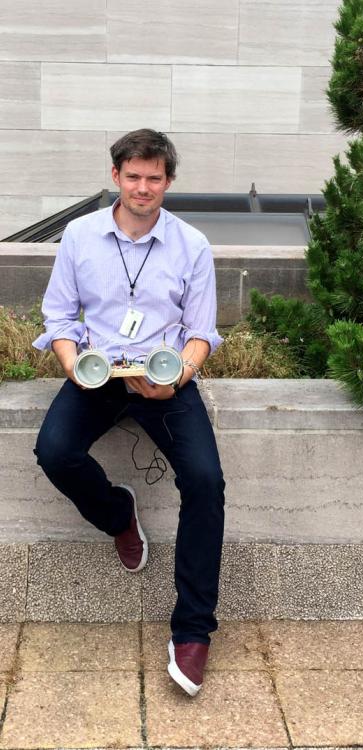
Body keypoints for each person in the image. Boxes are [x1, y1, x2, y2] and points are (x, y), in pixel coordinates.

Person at [32, 129, 224, 697]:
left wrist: (177, 378)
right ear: (116, 176)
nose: (144, 187)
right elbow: (60, 317)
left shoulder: (192, 245)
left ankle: (193, 631)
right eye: (133, 176)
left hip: (165, 380)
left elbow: (201, 333)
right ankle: (119, 515)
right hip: (98, 376)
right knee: (54, 451)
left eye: (155, 178)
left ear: (168, 181)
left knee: (207, 482)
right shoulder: (80, 235)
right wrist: (71, 363)